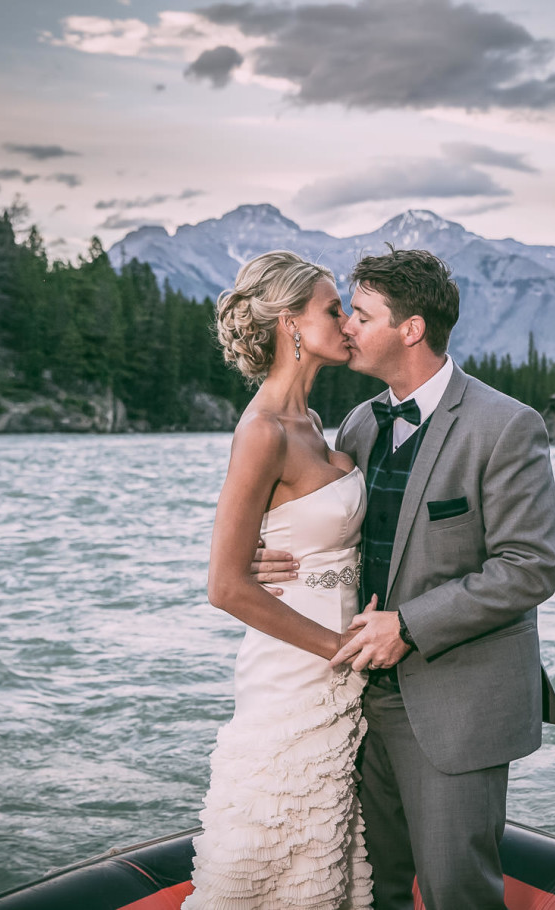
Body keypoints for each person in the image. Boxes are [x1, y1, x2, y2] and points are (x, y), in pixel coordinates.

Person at [255, 248, 555, 910]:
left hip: (457, 701)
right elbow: (330, 530)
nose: (347, 330)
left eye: (360, 315)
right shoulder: (361, 424)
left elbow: (529, 566)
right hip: (353, 701)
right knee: (375, 889)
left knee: (456, 891)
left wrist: (411, 625)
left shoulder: (506, 426)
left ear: (411, 329)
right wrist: (267, 553)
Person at [184, 250, 373, 909]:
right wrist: (339, 650)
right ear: (290, 324)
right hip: (295, 673)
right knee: (269, 844)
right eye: (332, 309)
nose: (347, 322)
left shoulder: (317, 425)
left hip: (341, 671)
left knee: (321, 859)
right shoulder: (261, 432)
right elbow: (226, 585)